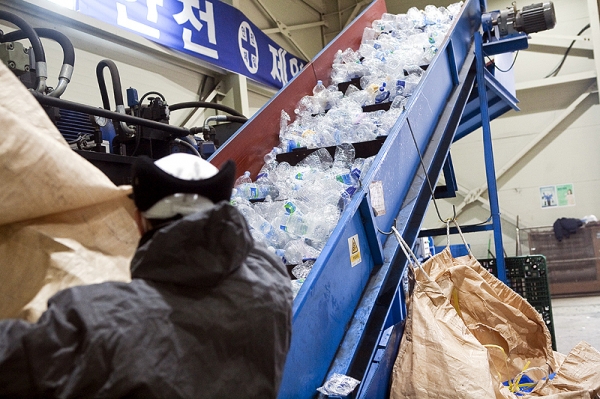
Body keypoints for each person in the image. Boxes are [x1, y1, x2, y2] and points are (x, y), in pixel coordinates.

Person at [0, 153, 293, 398]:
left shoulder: (96, 318)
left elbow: (14, 360)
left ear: (139, 221)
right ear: (223, 213)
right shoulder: (272, 282)